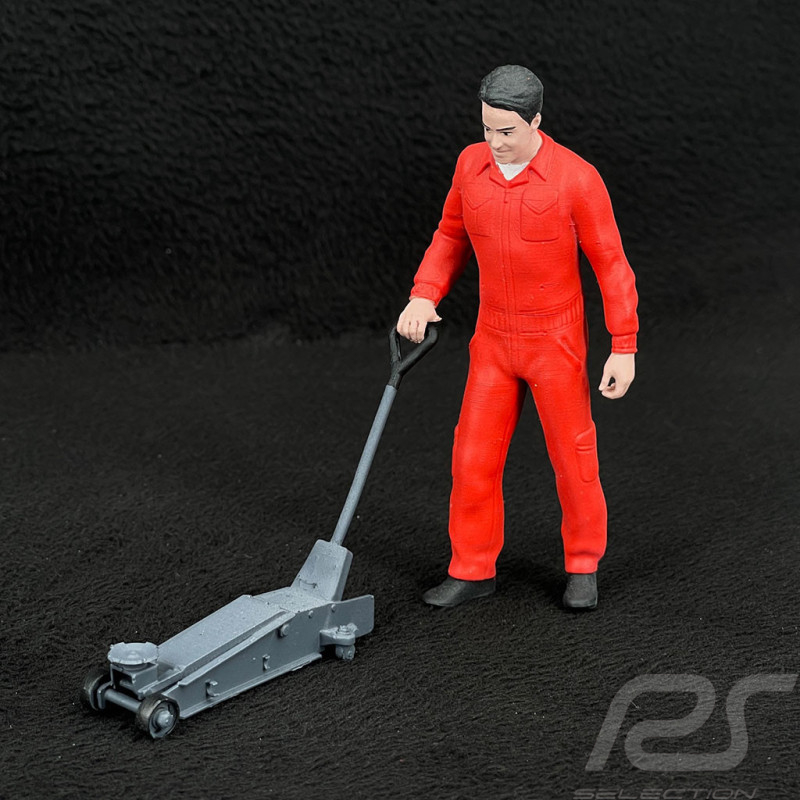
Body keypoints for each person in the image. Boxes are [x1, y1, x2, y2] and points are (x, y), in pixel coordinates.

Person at [396, 65, 638, 610]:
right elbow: (450, 235)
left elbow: (612, 264)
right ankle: (472, 568)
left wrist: (623, 345)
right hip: (493, 342)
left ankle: (583, 565)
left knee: (574, 459)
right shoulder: (470, 166)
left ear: (535, 121)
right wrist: (424, 293)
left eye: (506, 130)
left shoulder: (576, 178)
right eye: (487, 128)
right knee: (472, 458)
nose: (495, 141)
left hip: (555, 343)